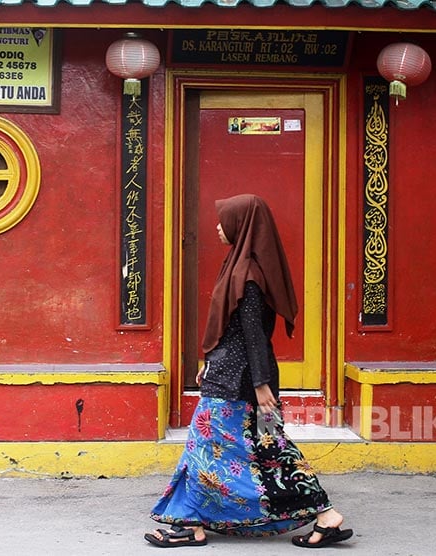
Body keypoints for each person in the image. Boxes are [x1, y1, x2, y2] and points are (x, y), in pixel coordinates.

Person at [144, 194, 353, 548]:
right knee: (271, 447)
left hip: (239, 381)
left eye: (223, 219)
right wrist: (211, 362)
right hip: (233, 373)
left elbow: (255, 335)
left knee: (205, 445)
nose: (217, 226)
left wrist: (259, 384)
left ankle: (189, 525)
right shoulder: (241, 266)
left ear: (241, 224)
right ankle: (326, 516)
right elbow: (233, 331)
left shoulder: (249, 275)